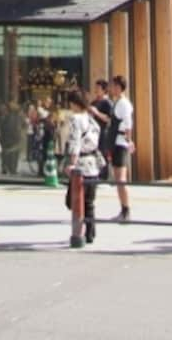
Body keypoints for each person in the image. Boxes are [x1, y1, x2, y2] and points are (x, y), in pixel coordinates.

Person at [62, 88, 102, 245]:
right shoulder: (92, 119)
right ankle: (90, 233)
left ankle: (78, 234)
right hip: (93, 164)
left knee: (73, 200)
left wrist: (72, 163)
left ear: (75, 104)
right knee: (89, 202)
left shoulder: (75, 119)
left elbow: (75, 142)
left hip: (81, 165)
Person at [108, 74, 133, 222]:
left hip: (120, 142)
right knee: (118, 178)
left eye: (113, 85)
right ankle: (123, 209)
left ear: (118, 87)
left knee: (121, 179)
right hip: (117, 142)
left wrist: (129, 140)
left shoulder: (123, 104)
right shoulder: (117, 102)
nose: (111, 88)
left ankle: (126, 210)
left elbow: (128, 124)